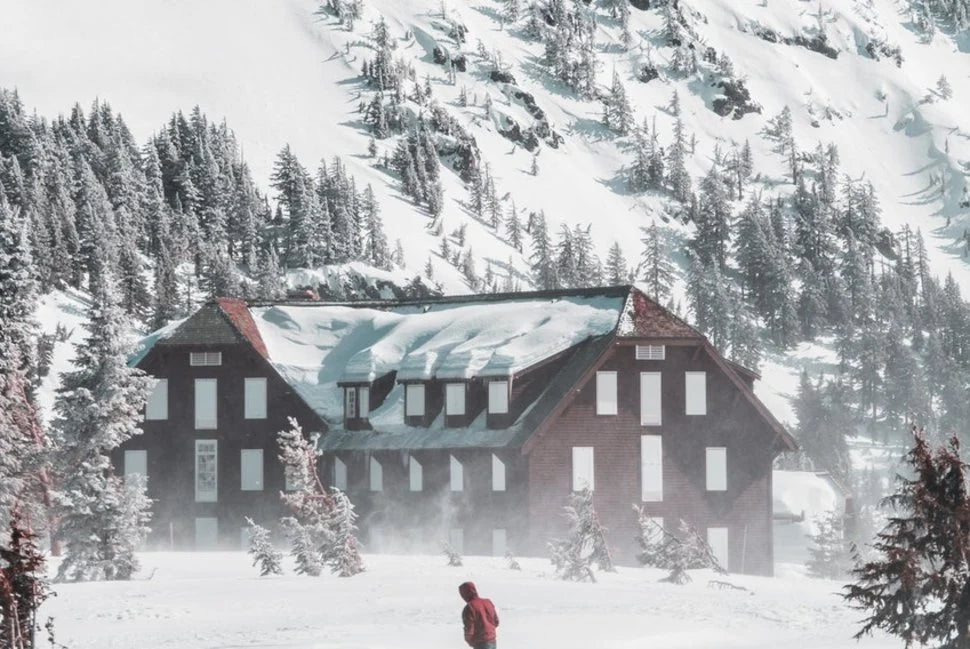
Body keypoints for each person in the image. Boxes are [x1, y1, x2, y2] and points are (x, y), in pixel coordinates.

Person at [459, 581, 499, 649]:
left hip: (480, 643)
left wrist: (470, 641)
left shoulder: (469, 607)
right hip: (492, 641)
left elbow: (469, 629)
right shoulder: (488, 602)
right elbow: (496, 622)